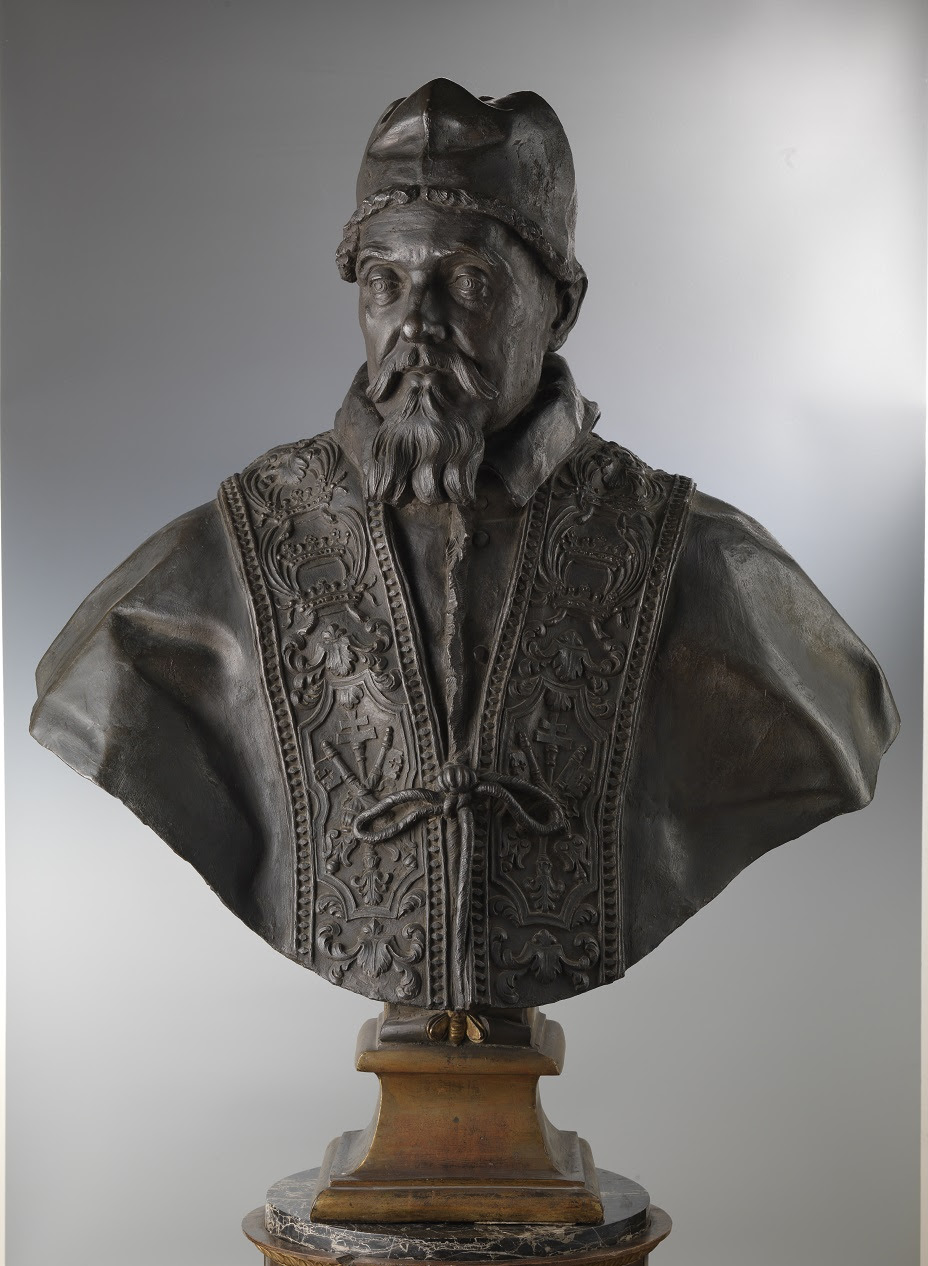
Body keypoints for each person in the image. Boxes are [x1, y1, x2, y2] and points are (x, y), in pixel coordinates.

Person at [31, 79, 898, 1015]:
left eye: (469, 283)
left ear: (559, 307)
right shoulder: (219, 562)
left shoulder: (700, 564)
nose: (417, 324)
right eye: (384, 282)